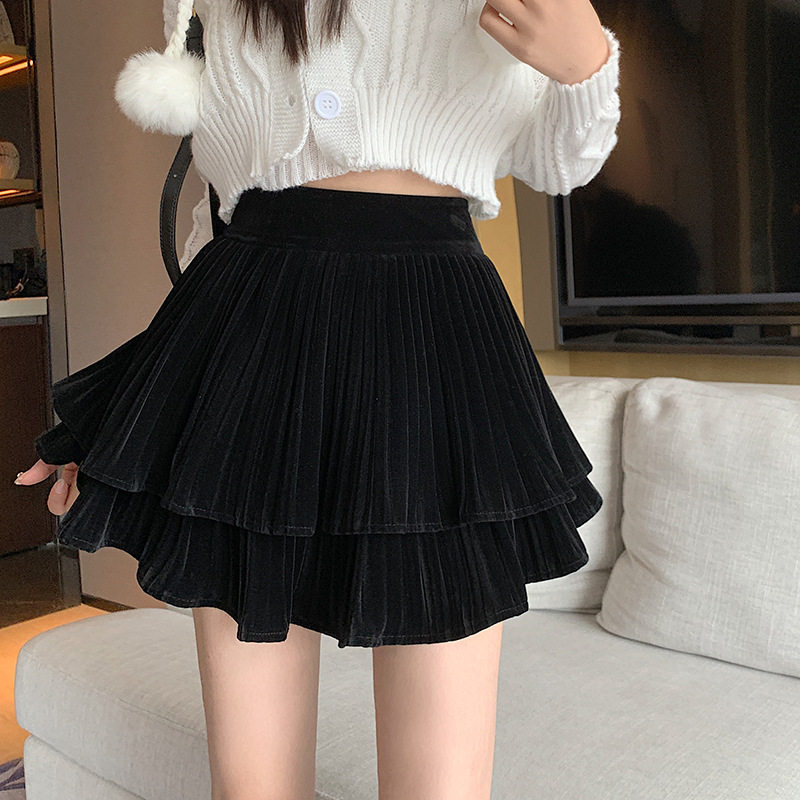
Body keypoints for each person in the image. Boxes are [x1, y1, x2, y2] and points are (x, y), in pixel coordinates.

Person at [15, 1, 621, 797]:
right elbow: (221, 209)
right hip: (247, 330)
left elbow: (560, 164)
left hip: (430, 337)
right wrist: (132, 422)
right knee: (252, 784)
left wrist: (586, 67)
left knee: (439, 785)